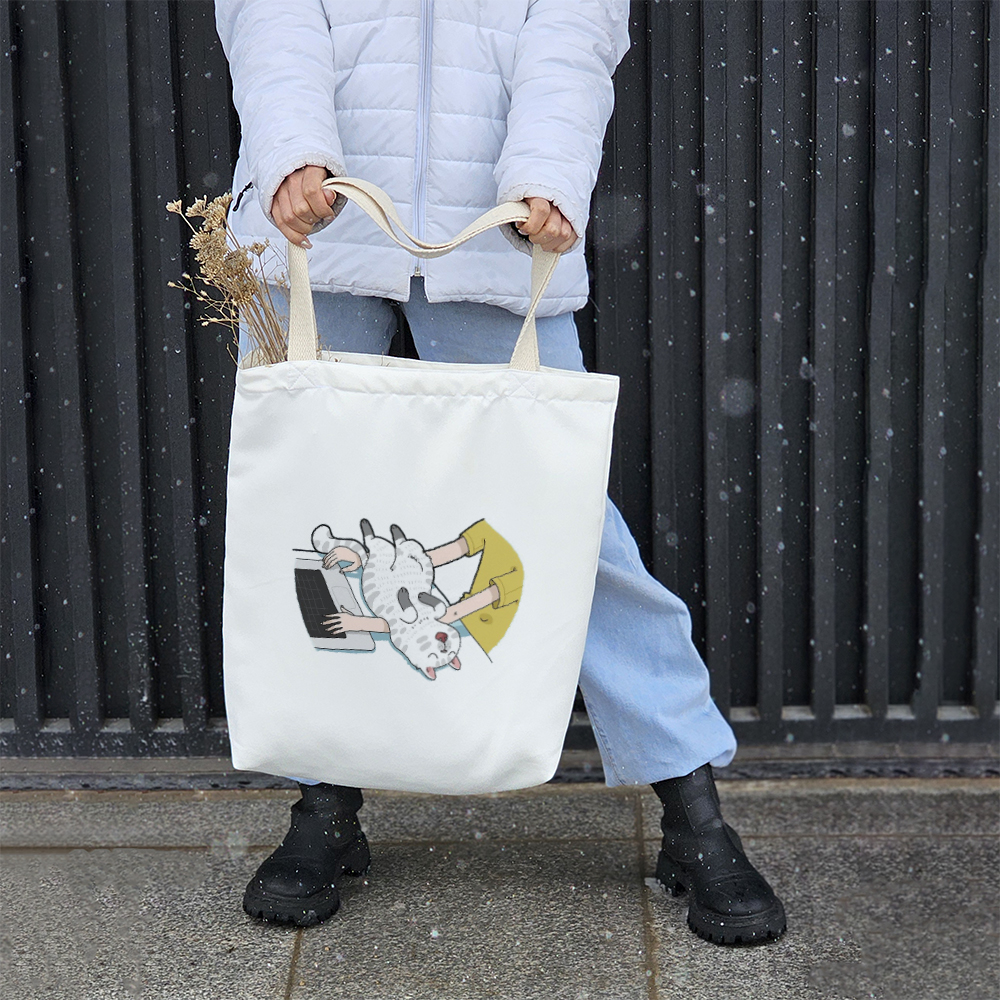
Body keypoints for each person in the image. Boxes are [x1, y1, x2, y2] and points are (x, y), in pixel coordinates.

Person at [215, 0, 786, 946]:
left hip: (495, 232)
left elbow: (573, 27)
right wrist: (291, 153)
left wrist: (548, 174)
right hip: (316, 228)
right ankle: (323, 802)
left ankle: (693, 812)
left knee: (565, 528)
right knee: (315, 535)